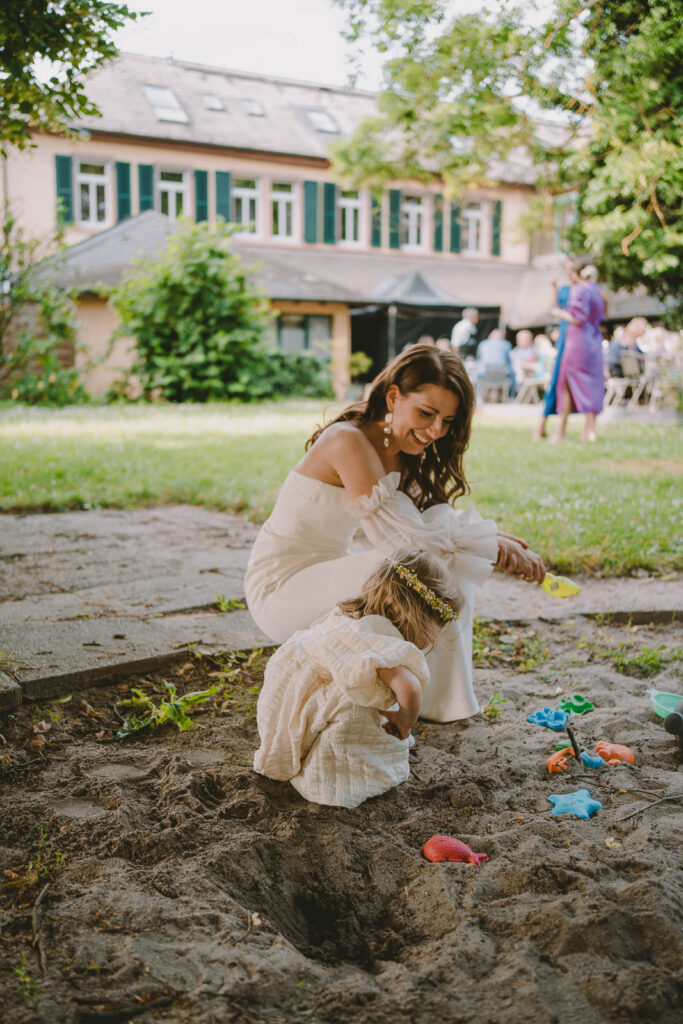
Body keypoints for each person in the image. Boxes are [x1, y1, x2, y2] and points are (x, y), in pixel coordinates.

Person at [245, 345, 545, 724]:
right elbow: (403, 542)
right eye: (426, 413)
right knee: (421, 565)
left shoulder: (403, 451)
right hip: (282, 589)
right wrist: (491, 543)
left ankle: (442, 699)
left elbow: (430, 528)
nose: (436, 431)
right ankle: (423, 695)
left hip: (325, 575)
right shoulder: (347, 440)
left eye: (448, 421)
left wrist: (494, 539)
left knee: (443, 562)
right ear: (393, 397)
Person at [253, 549, 461, 808]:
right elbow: (410, 687)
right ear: (412, 617)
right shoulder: (380, 639)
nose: (430, 642)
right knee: (359, 708)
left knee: (363, 690)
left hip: (282, 707)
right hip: (313, 712)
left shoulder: (348, 617)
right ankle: (334, 777)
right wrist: (405, 722)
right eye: (433, 632)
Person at [550, 258, 606, 443]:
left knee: (566, 383)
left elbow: (578, 318)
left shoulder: (579, 289)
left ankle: (561, 431)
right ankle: (589, 430)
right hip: (594, 339)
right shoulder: (598, 289)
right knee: (592, 383)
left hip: (578, 341)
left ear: (577, 272)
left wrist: (559, 313)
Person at [532, 264, 576, 440]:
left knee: (567, 384)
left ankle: (557, 429)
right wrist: (553, 288)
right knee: (559, 382)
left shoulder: (583, 290)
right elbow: (553, 309)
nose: (568, 272)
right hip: (567, 337)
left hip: (576, 338)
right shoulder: (565, 290)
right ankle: (543, 427)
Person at [475, 328, 515, 397]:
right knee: (513, 373)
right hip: (502, 376)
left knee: (476, 371)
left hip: (485, 375)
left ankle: (479, 397)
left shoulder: (483, 344)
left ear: (490, 336)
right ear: (502, 337)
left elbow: (479, 358)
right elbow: (509, 360)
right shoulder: (507, 344)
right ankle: (511, 396)